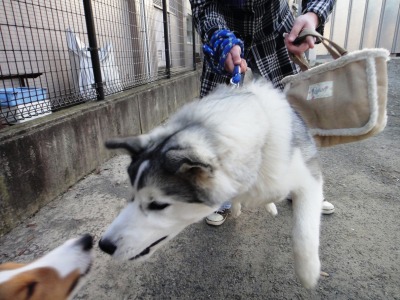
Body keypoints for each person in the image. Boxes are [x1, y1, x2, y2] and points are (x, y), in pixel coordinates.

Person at [189, 0, 336, 226]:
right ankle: (222, 196)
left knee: (292, 121)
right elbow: (203, 5)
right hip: (226, 41)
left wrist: (313, 15)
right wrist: (221, 39)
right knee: (219, 128)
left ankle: (299, 183)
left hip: (277, 34)